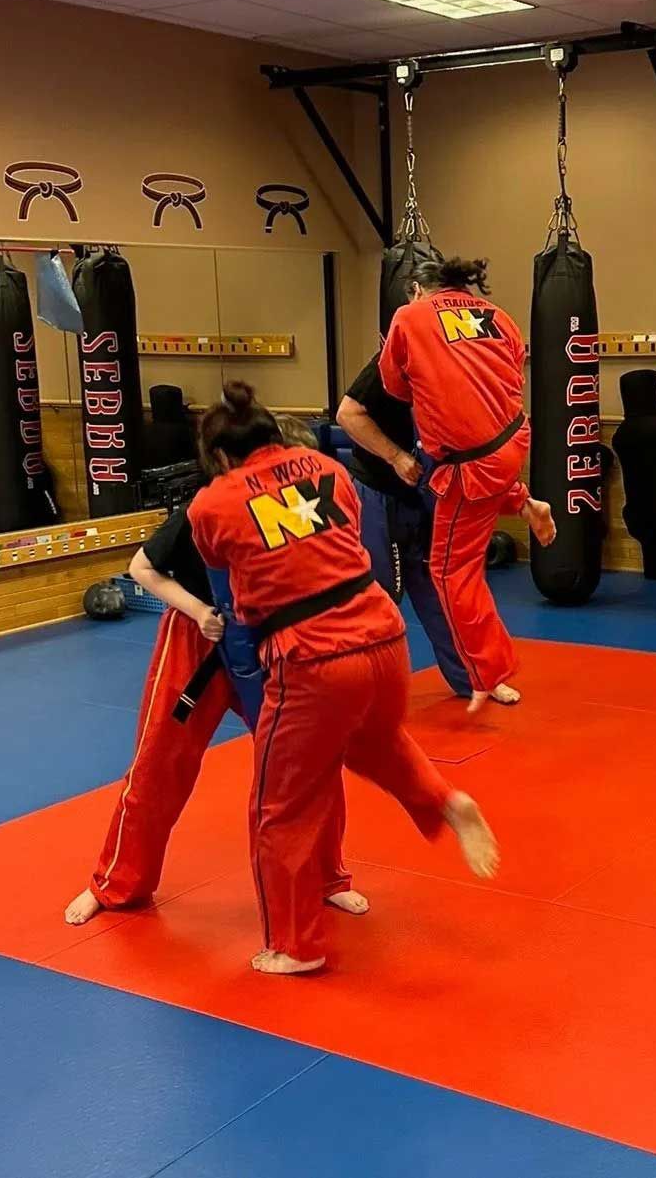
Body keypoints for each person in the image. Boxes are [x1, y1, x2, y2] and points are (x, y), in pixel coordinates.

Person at [189, 381, 498, 976]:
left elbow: (223, 569)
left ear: (222, 456)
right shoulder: (326, 467)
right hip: (383, 636)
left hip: (313, 657)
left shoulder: (213, 502)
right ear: (274, 434)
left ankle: (294, 945)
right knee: (375, 742)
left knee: (278, 806)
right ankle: (443, 799)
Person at [64, 427, 362, 927]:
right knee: (159, 762)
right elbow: (142, 568)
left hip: (271, 644)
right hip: (197, 640)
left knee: (309, 762)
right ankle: (117, 881)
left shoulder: (303, 505)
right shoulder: (211, 506)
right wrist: (200, 610)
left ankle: (325, 876)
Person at [379, 255, 556, 714]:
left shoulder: (409, 316)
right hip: (511, 439)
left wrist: (430, 379)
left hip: (471, 463)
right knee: (460, 482)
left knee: (447, 570)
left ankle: (486, 671)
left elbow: (394, 385)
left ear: (419, 290)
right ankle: (524, 502)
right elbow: (513, 372)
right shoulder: (499, 317)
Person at [337, 354, 475, 701]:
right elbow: (347, 414)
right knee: (379, 594)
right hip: (379, 494)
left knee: (436, 589)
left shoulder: (451, 361)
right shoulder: (388, 363)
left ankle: (470, 679)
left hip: (422, 496)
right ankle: (361, 689)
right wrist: (395, 456)